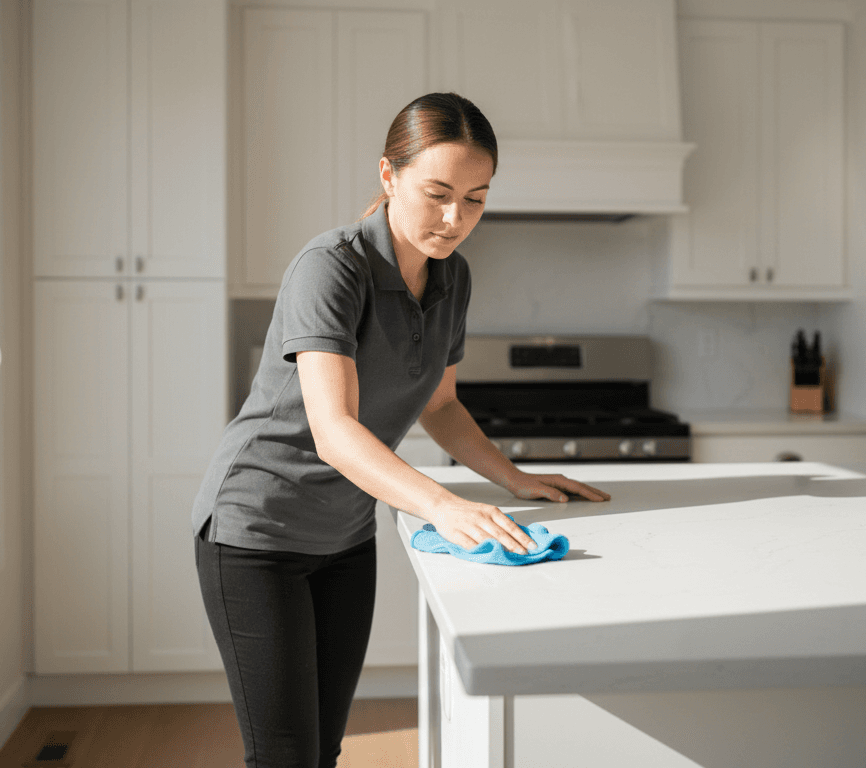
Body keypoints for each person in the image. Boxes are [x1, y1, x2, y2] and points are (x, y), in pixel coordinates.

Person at [191, 92, 609, 768]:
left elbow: (441, 406)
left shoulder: (454, 278)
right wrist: (444, 505)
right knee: (285, 756)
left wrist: (512, 476)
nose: (454, 219)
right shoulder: (332, 268)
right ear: (388, 175)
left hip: (347, 535)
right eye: (437, 192)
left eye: (476, 199)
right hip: (256, 532)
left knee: (323, 749)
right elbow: (334, 431)